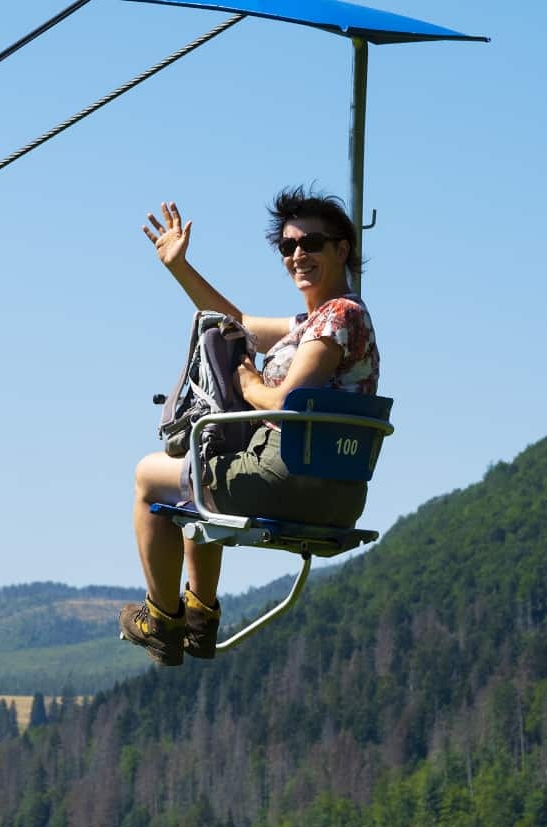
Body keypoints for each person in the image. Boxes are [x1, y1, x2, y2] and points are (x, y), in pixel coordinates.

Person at [120, 187, 381, 665]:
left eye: (311, 244)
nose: (298, 255)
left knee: (148, 477)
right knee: (197, 480)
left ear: (342, 249)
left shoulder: (340, 316)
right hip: (337, 492)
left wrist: (248, 378)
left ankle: (162, 619)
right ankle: (199, 616)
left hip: (286, 478)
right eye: (288, 246)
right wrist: (179, 267)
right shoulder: (316, 322)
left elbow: (286, 401)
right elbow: (234, 321)